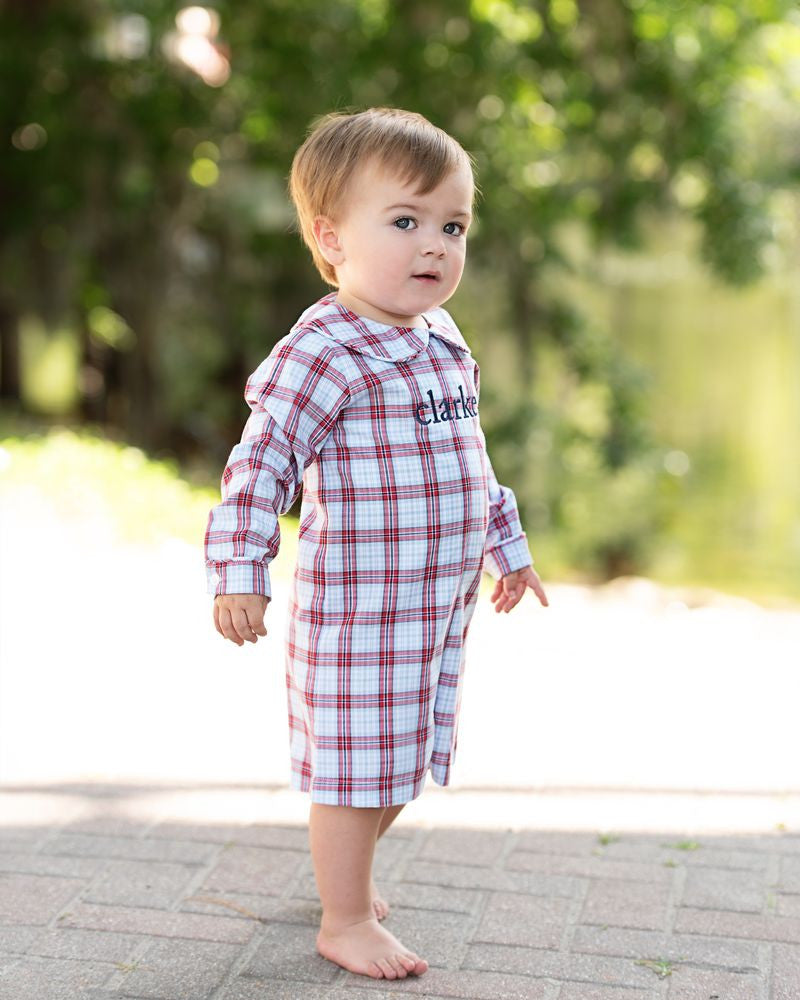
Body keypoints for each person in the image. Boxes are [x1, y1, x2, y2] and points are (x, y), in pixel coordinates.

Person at [204, 106, 549, 981]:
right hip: (360, 611)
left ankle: (343, 876)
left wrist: (506, 543)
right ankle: (344, 916)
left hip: (433, 606)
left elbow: (470, 457)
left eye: (453, 226)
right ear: (332, 239)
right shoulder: (323, 349)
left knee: (400, 759)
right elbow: (261, 466)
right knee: (359, 769)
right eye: (405, 222)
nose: (434, 245)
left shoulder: (440, 336)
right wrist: (239, 571)